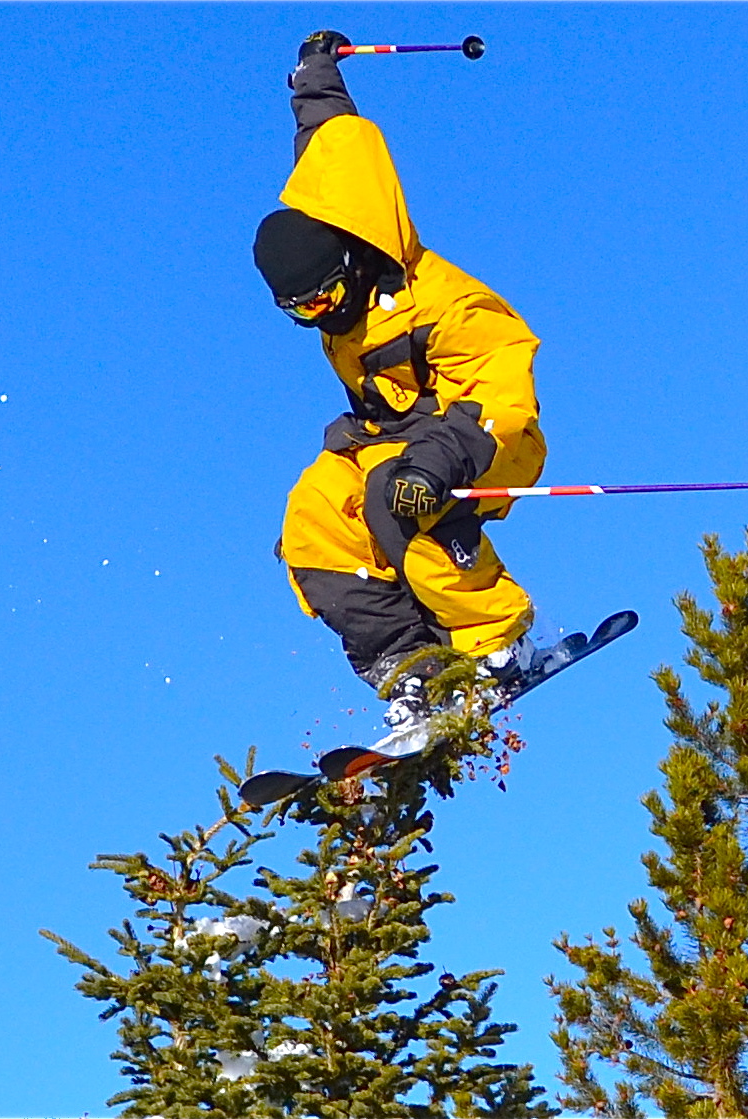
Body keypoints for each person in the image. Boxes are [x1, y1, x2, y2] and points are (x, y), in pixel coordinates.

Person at [252, 31, 546, 731]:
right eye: (297, 311)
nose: (317, 318)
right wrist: (314, 75)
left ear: (350, 265)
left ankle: (495, 640)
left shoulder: (440, 303)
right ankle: (409, 661)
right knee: (314, 514)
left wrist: (442, 456)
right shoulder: (336, 229)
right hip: (394, 438)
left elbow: (504, 385)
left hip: (483, 434)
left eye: (320, 299)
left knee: (397, 495)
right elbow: (328, 151)